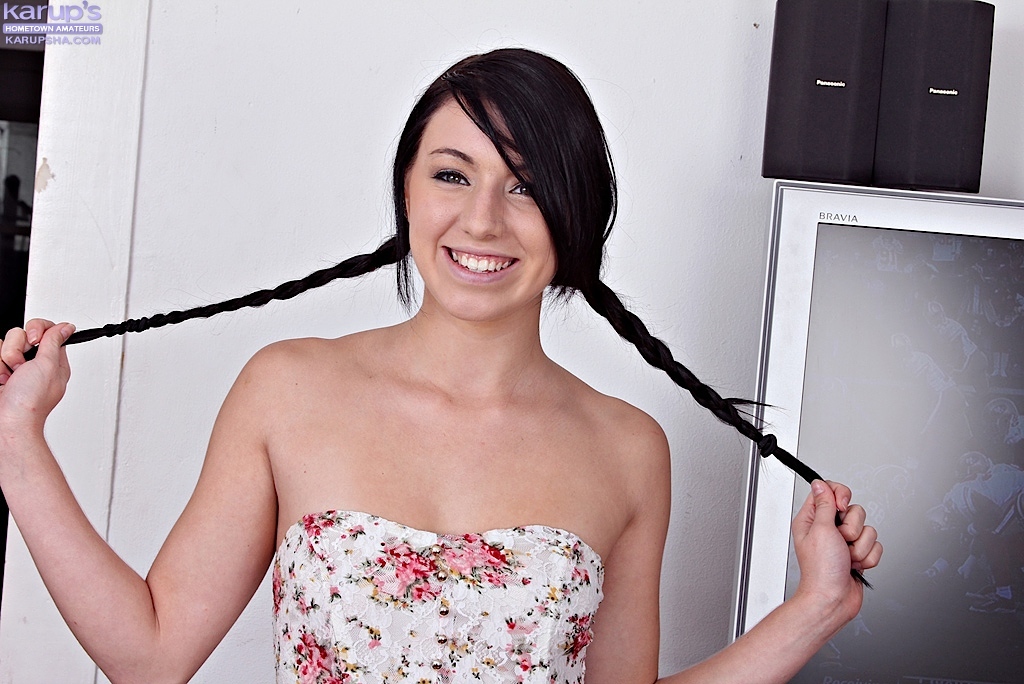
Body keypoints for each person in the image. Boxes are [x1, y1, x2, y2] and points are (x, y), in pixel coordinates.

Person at [0, 48, 881, 683]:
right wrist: (18, 442)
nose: (483, 220)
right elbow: (150, 656)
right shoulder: (287, 389)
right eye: (453, 175)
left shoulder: (628, 446)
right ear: (408, 192)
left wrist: (816, 608)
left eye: (525, 187)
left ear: (577, 217)